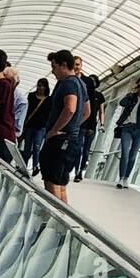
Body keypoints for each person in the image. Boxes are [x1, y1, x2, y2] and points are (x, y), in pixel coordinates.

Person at [40, 50, 90, 204]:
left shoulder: (68, 83)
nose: (53, 71)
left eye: (54, 67)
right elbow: (87, 112)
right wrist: (73, 127)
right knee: (61, 185)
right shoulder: (81, 84)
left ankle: (53, 220)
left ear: (63, 65)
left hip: (59, 141)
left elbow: (70, 108)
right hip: (71, 140)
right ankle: (62, 220)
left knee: (52, 183)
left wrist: (55, 130)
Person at [114, 76, 140, 187]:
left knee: (133, 155)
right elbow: (122, 103)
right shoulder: (131, 97)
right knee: (125, 153)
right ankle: (121, 178)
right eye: (139, 86)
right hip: (127, 128)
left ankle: (126, 178)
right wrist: (132, 91)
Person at [73, 56, 104, 182]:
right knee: (78, 147)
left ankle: (80, 170)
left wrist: (95, 125)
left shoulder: (97, 95)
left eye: (78, 64)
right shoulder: (69, 80)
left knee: (85, 149)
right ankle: (76, 170)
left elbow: (96, 110)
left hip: (88, 123)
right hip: (79, 122)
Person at [20, 77, 51, 175]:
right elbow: (27, 110)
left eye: (42, 86)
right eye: (39, 85)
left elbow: (49, 114)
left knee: (37, 147)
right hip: (30, 126)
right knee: (27, 147)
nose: (40, 88)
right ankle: (24, 166)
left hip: (41, 127)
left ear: (46, 87)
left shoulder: (49, 100)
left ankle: (35, 167)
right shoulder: (31, 96)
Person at [4, 66, 28, 139]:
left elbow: (17, 125)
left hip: (8, 137)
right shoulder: (0, 94)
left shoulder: (21, 101)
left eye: (9, 81)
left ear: (16, 83)